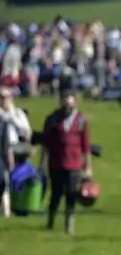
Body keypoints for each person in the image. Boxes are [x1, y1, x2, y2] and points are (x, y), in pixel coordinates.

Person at [40, 89, 92, 235]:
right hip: (56, 163)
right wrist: (42, 162)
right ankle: (51, 220)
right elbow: (46, 143)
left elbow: (86, 145)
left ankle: (69, 223)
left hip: (74, 164)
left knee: (71, 193)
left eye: (70, 101)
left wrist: (88, 167)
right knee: (56, 193)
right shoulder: (52, 119)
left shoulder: (81, 120)